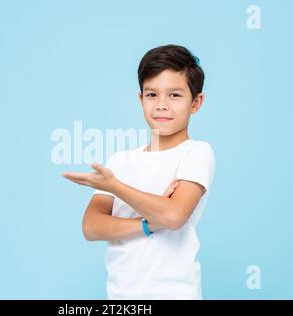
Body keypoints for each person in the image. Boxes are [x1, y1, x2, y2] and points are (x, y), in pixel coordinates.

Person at [63, 44, 216, 299]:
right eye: (152, 95)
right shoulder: (120, 160)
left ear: (196, 102)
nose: (162, 105)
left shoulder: (197, 152)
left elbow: (174, 216)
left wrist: (115, 187)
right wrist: (147, 224)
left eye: (175, 95)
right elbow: (91, 227)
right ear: (141, 99)